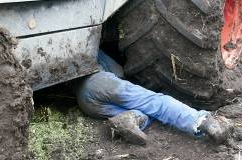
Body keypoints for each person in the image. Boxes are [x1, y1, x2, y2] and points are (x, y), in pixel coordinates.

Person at [75, 50, 233, 145]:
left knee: (144, 113)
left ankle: (131, 119)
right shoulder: (92, 48)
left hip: (85, 103)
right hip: (98, 82)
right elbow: (117, 70)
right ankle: (203, 122)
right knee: (156, 104)